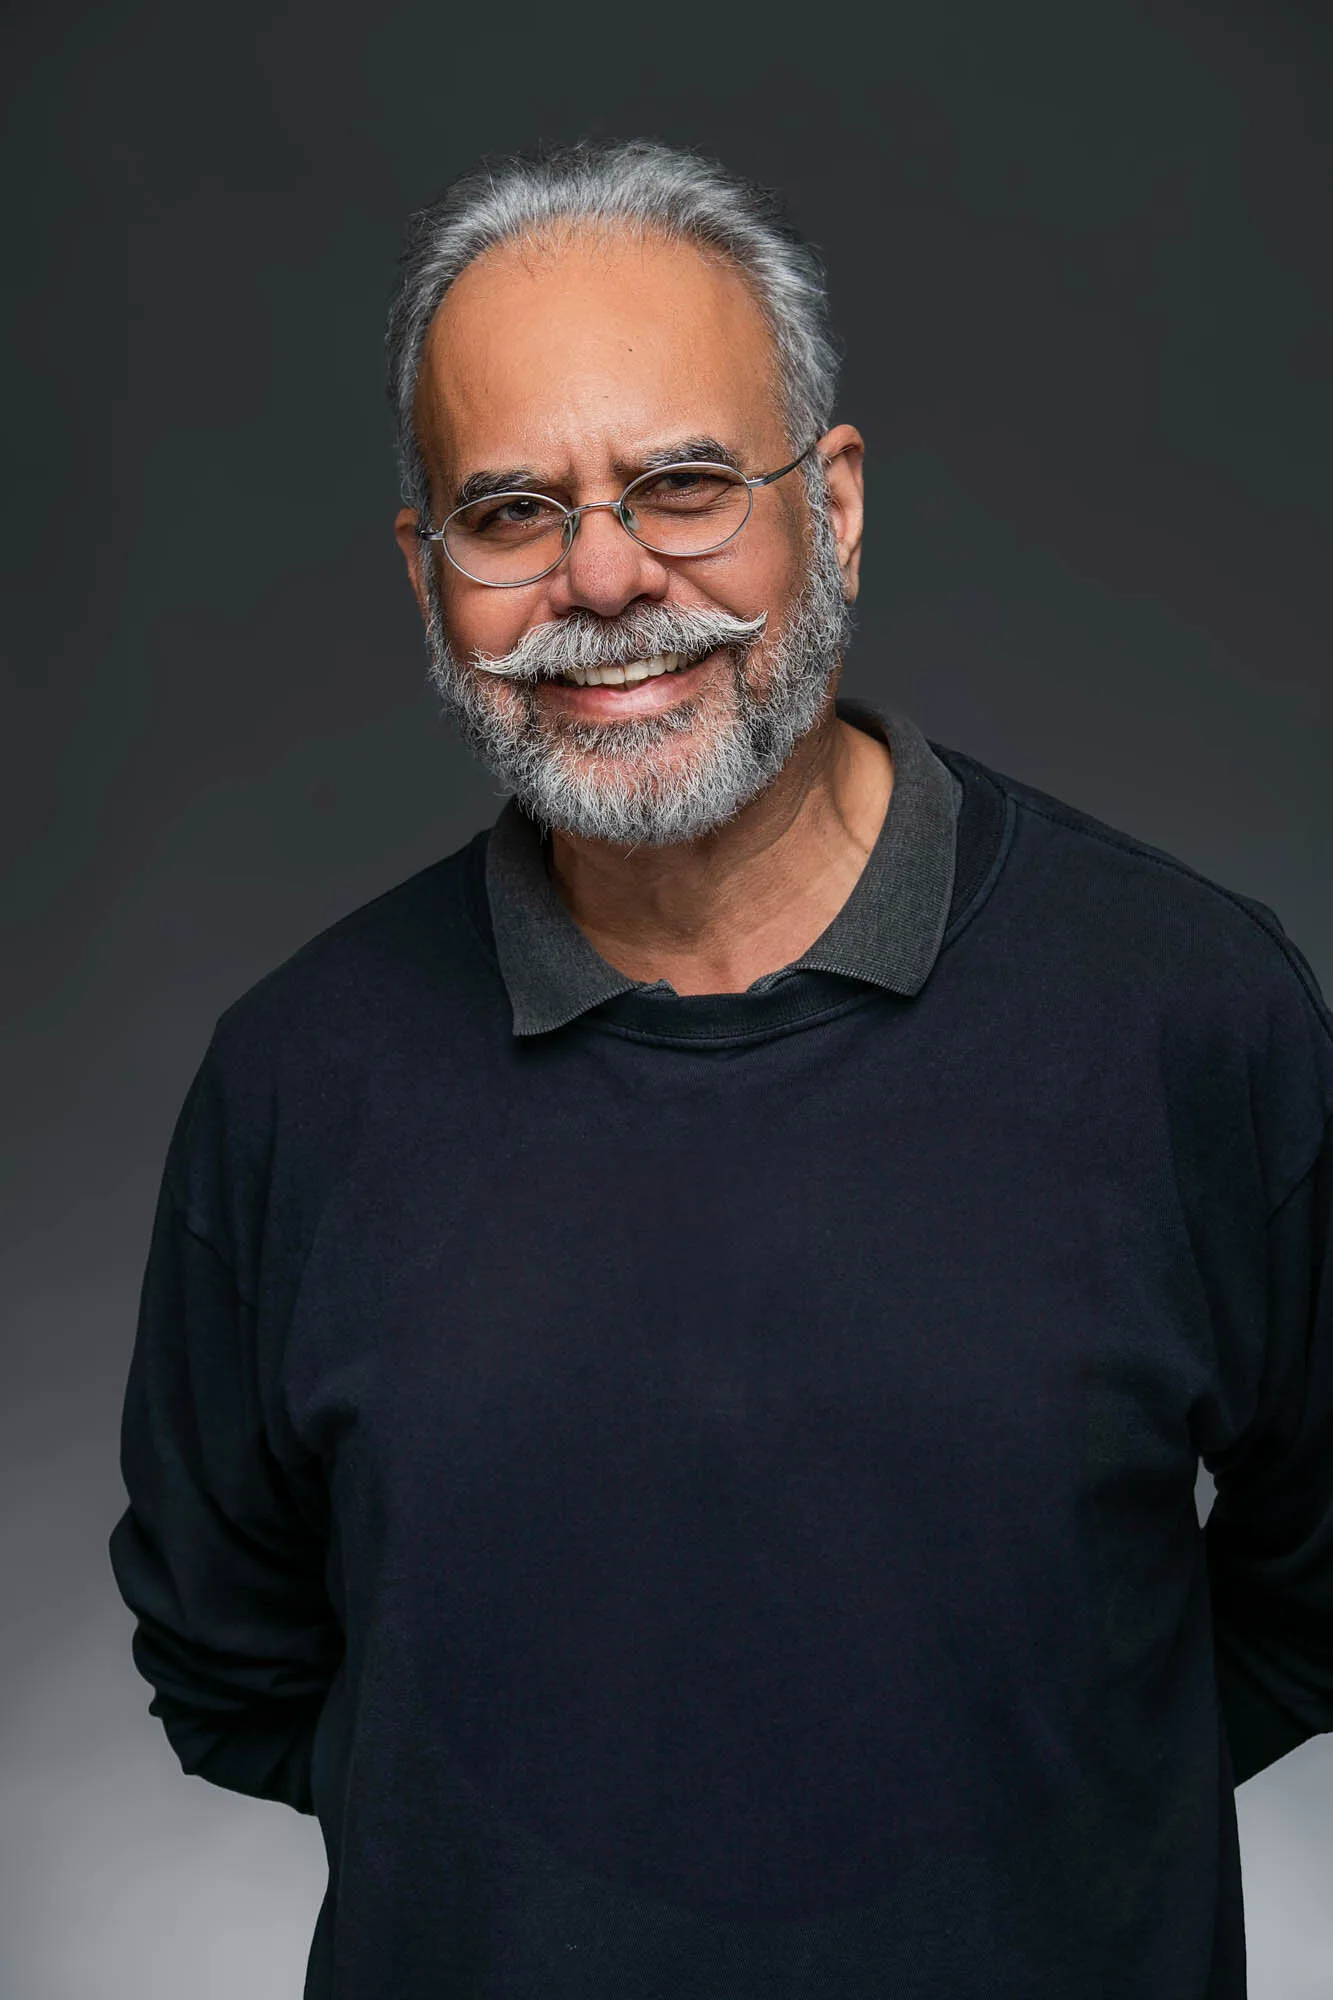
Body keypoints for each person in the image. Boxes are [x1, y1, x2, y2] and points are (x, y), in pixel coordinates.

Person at [108, 139, 1333, 2000]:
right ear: (428, 571)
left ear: (832, 506)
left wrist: (1046, 1818)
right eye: (511, 512)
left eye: (682, 482)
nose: (604, 577)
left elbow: (1319, 1594)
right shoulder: (298, 1084)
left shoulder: (1190, 1013)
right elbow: (229, 1664)